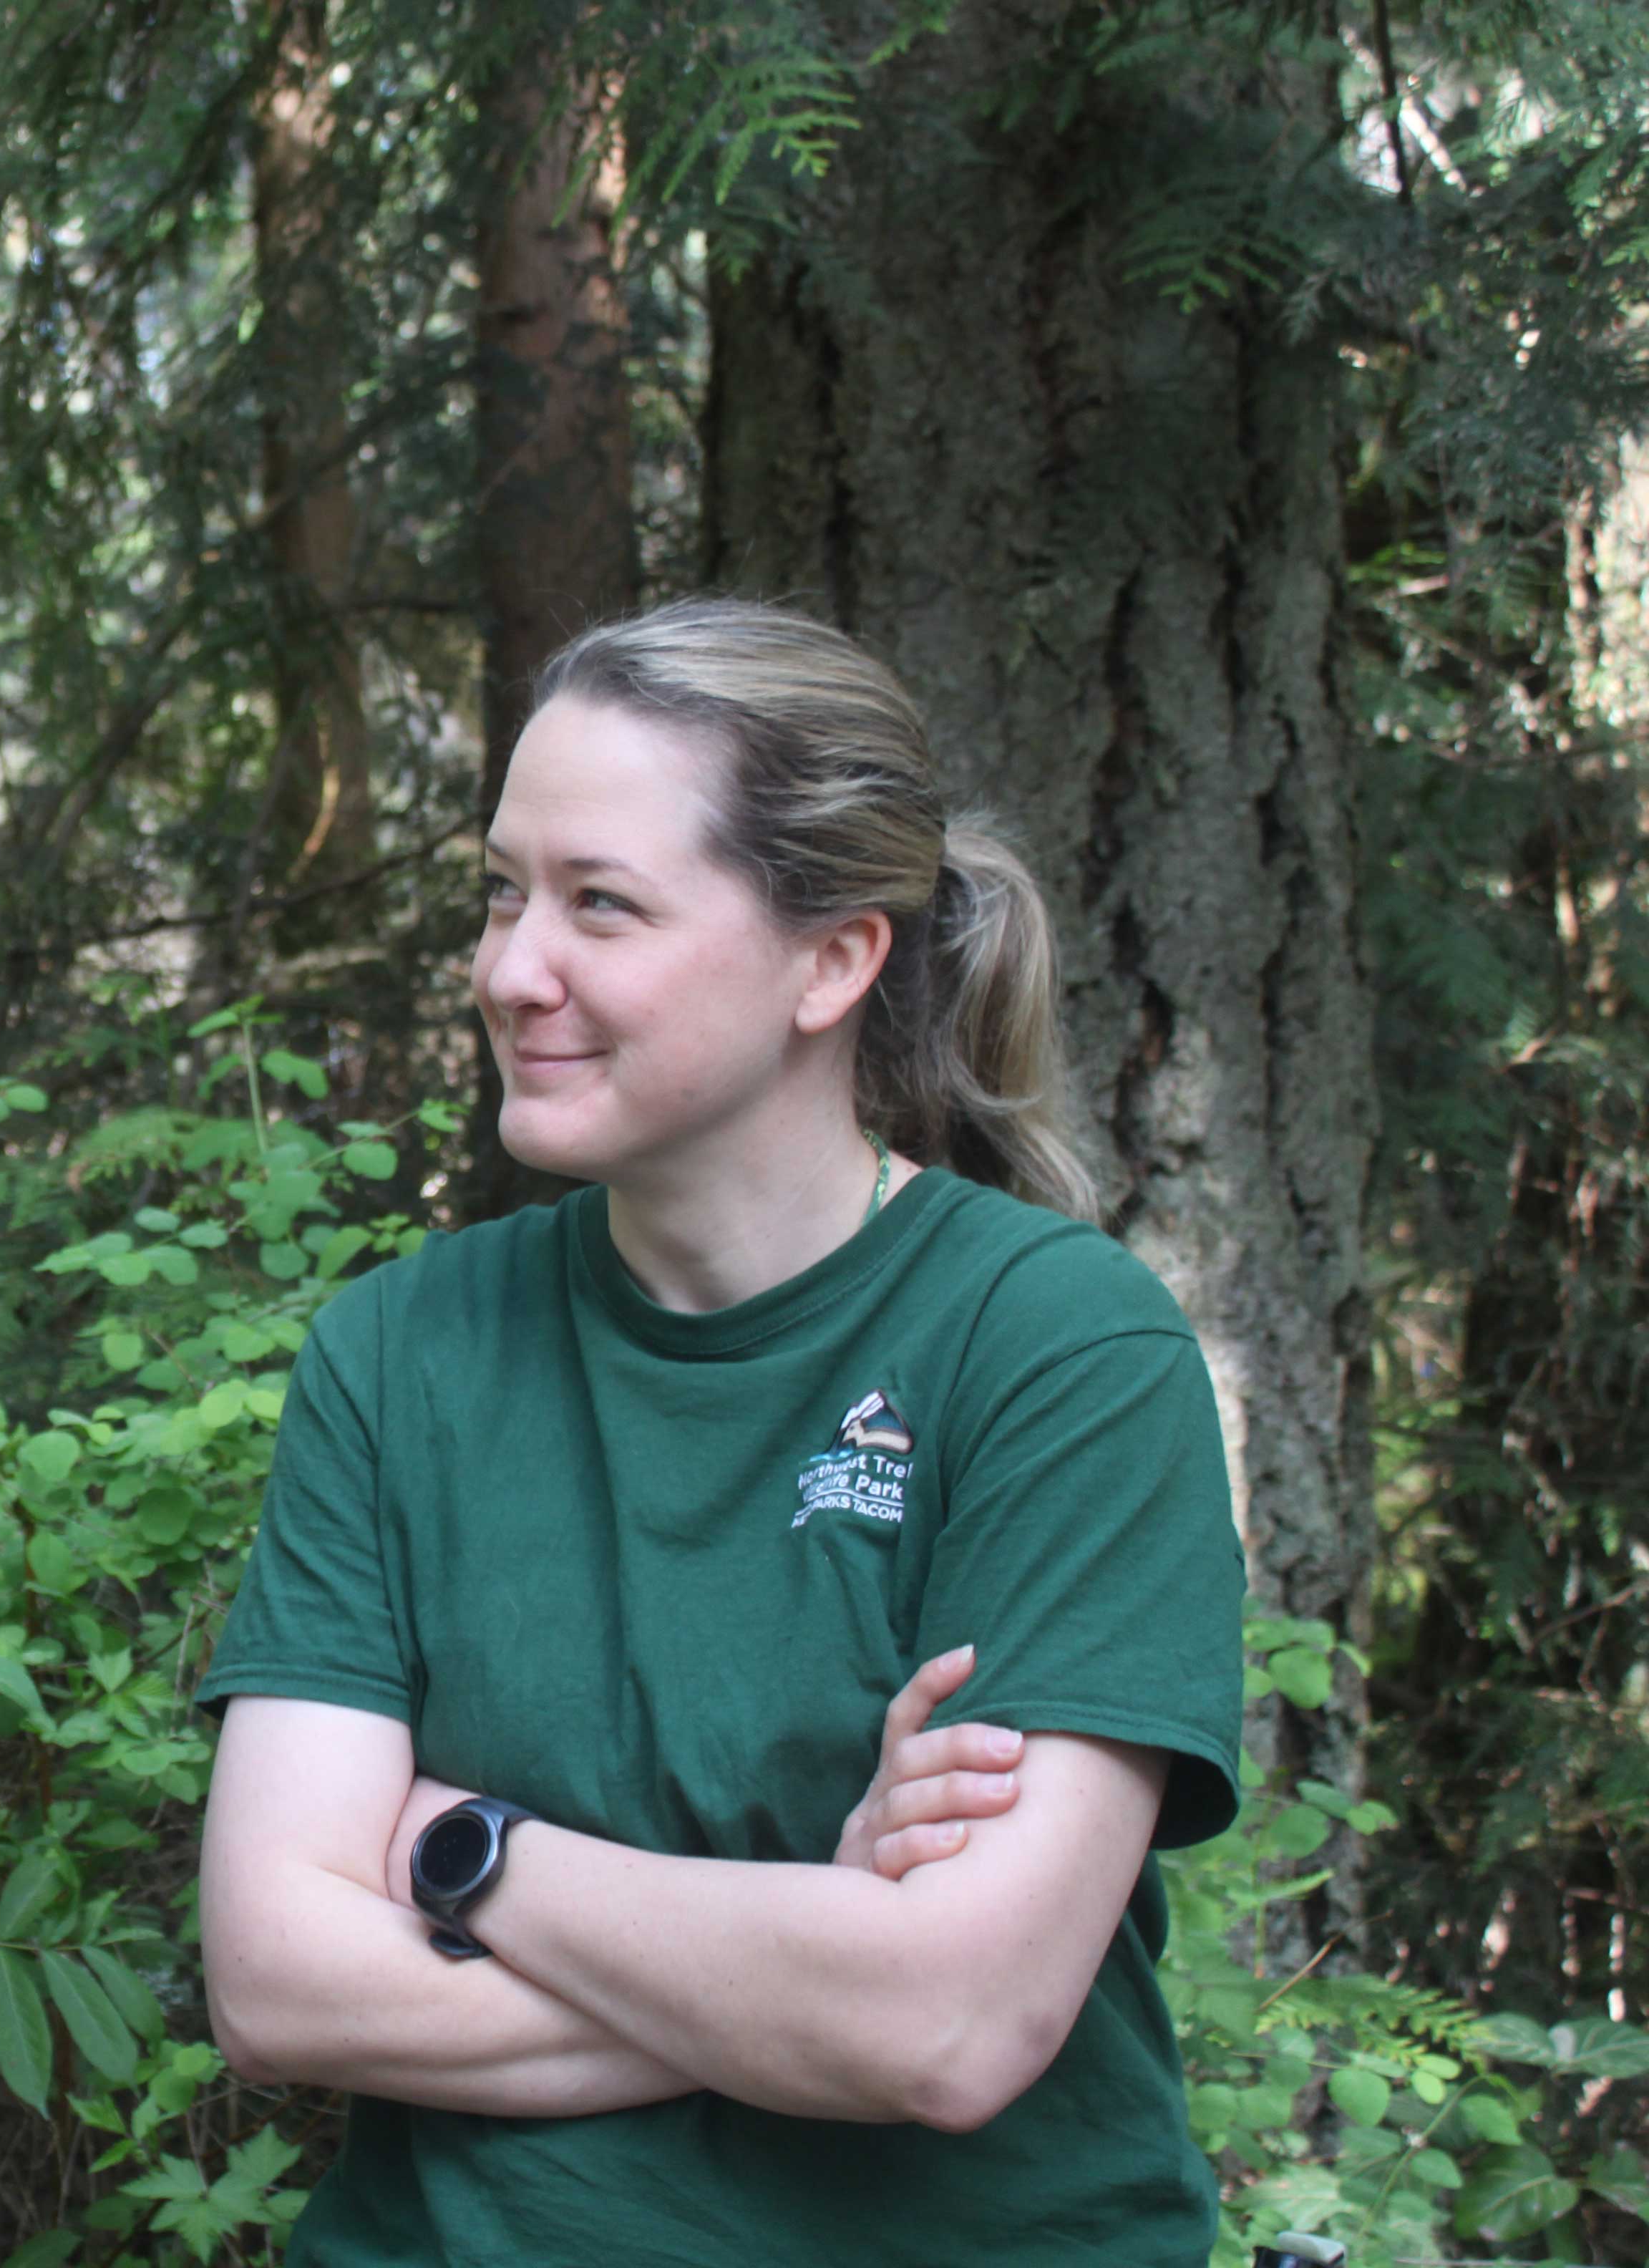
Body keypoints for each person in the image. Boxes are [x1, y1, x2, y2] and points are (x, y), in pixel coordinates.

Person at [197, 598, 1247, 2262]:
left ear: (832, 962)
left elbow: (955, 2031)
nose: (508, 970)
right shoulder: (401, 1352)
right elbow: (275, 1980)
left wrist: (469, 1858)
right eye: (502, 894)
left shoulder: (1057, 1350)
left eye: (600, 905)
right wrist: (814, 1967)